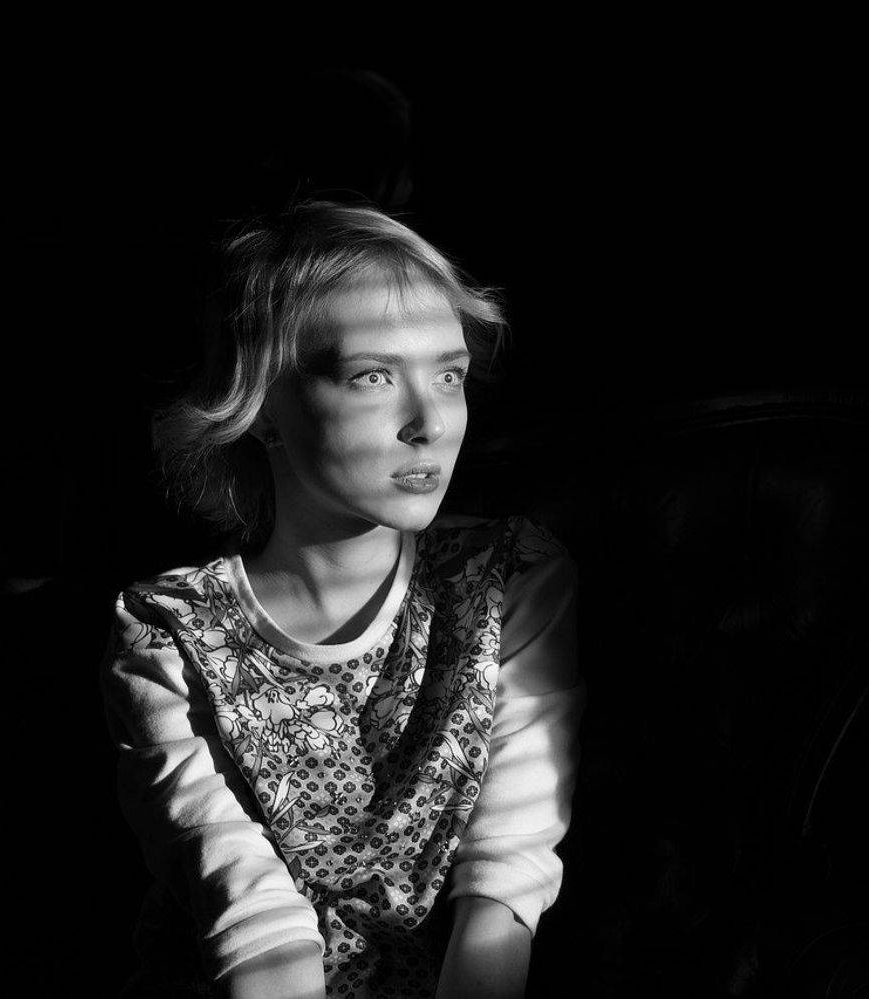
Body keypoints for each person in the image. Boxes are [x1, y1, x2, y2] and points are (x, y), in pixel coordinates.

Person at [97, 200, 586, 998]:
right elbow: (257, 934)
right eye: (373, 377)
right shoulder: (168, 635)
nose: (430, 423)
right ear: (263, 407)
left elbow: (504, 885)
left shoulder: (509, 579)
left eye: (450, 375)